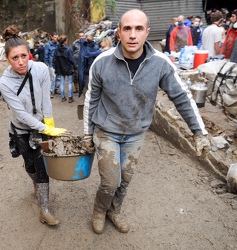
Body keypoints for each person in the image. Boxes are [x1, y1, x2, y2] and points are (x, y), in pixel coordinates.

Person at [83, 8, 210, 235]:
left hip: (136, 133)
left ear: (147, 32)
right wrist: (86, 134)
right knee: (110, 181)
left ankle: (115, 210)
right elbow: (91, 100)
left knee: (126, 179)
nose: (133, 35)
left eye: (138, 29)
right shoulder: (101, 62)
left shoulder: (160, 63)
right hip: (106, 131)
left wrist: (199, 132)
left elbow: (181, 96)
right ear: (119, 33)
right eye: (127, 29)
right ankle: (99, 210)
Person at [0, 25, 67, 226]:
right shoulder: (5, 83)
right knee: (30, 166)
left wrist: (49, 125)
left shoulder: (40, 69)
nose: (21, 62)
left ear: (29, 53)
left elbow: (46, 99)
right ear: (7, 59)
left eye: (23, 56)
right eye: (15, 58)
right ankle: (36, 184)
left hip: (41, 127)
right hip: (21, 129)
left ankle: (44, 210)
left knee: (42, 166)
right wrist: (46, 129)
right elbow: (19, 113)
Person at [53, 35, 76, 103]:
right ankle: (70, 97)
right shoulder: (68, 49)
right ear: (65, 41)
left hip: (60, 68)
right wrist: (74, 66)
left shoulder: (56, 50)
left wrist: (56, 68)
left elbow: (54, 60)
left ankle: (63, 97)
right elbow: (71, 59)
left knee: (62, 83)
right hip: (68, 68)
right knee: (69, 83)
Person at [44, 32, 60, 97]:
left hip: (58, 63)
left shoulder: (58, 44)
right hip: (51, 63)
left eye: (57, 37)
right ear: (52, 37)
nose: (56, 38)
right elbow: (46, 54)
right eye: (55, 37)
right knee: (53, 77)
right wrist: (46, 64)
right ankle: (51, 91)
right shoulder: (48, 45)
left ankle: (56, 89)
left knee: (58, 77)